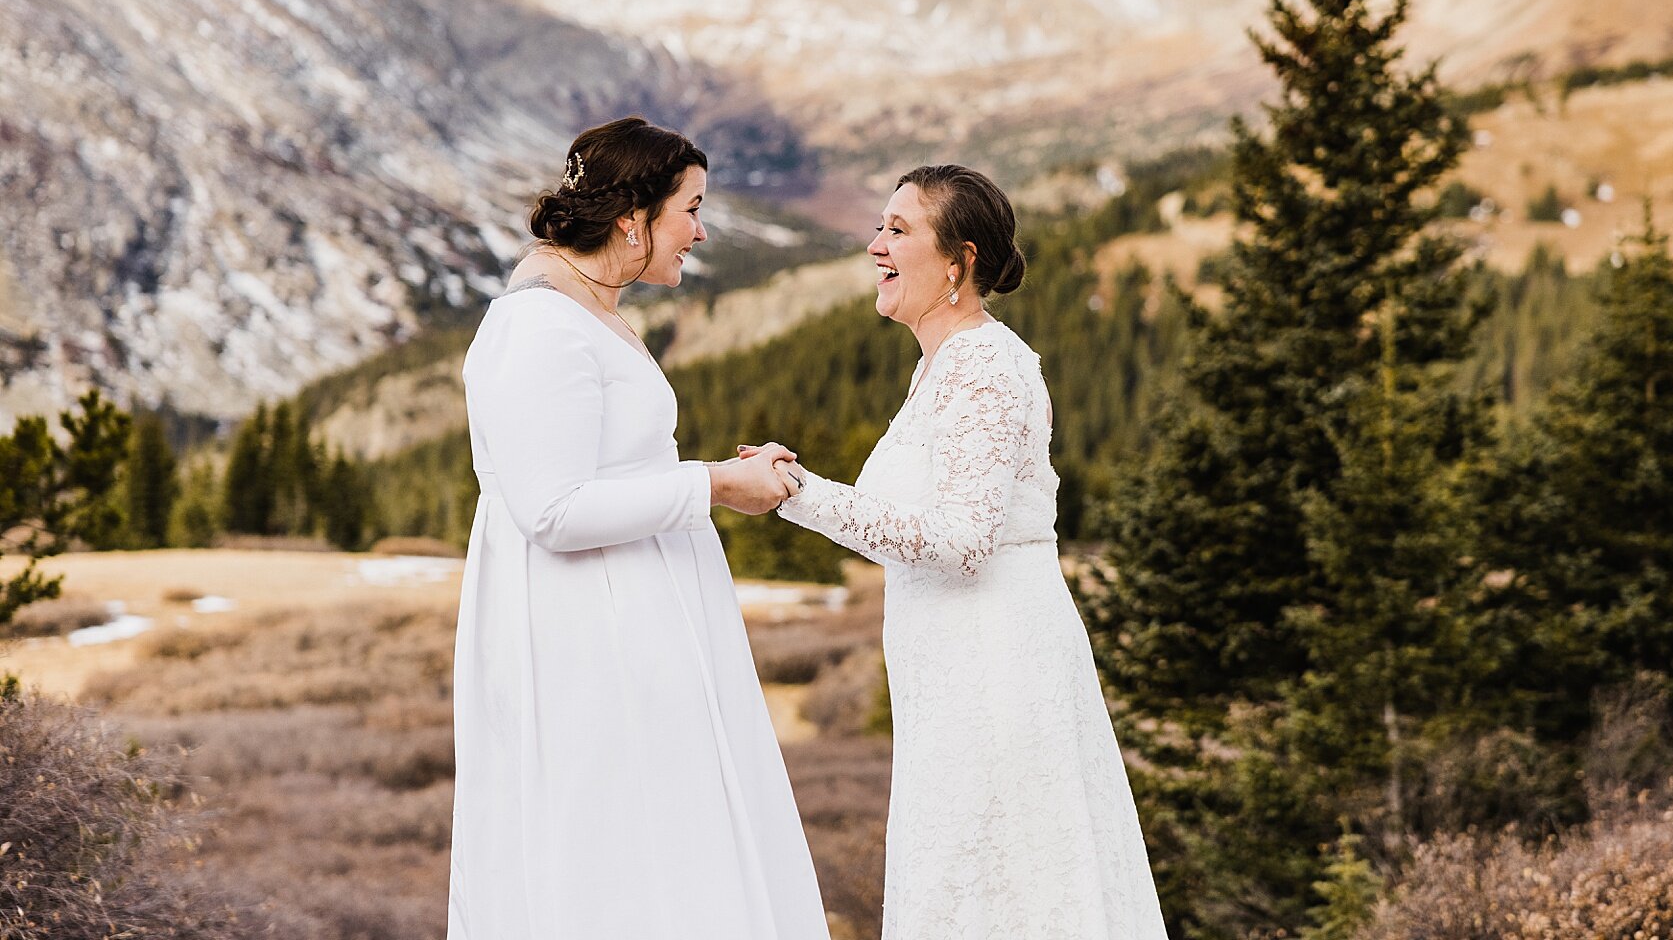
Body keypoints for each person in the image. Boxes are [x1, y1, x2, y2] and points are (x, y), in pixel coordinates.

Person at [448, 117, 828, 940]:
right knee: (617, 851)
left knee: (668, 845)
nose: (699, 228)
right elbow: (550, 511)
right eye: (690, 207)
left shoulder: (588, 307)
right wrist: (716, 486)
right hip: (590, 637)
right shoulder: (538, 325)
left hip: (634, 619)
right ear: (633, 218)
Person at [771, 165, 1168, 939]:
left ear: (959, 260)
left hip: (995, 667)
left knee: (1006, 886)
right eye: (878, 227)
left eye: (898, 230)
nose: (875, 245)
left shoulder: (987, 365)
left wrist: (799, 493)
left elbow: (961, 541)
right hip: (950, 673)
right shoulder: (939, 368)